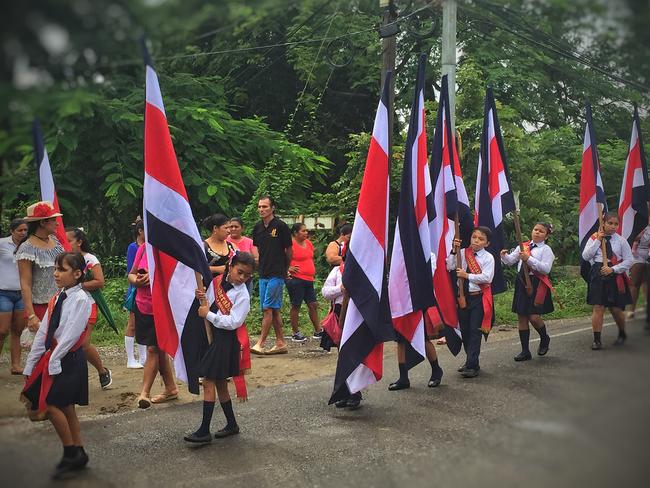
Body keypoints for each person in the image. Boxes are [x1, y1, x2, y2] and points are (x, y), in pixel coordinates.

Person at [21, 252, 93, 479]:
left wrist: (53, 362)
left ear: (78, 273)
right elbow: (44, 331)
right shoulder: (58, 297)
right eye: (56, 269)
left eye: (61, 269)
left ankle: (70, 452)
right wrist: (31, 364)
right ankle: (78, 451)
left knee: (50, 405)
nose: (56, 273)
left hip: (67, 359)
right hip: (56, 357)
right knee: (66, 406)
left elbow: (71, 335)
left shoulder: (81, 299)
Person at [184, 252, 255, 443]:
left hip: (226, 341)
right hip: (212, 338)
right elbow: (207, 304)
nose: (242, 278)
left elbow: (233, 322)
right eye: (239, 272)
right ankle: (232, 424)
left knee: (208, 381)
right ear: (230, 266)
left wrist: (209, 315)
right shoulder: (216, 282)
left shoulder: (243, 295)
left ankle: (204, 431)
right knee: (221, 383)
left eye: (246, 275)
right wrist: (202, 298)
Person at [128, 242, 178, 408]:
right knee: (159, 348)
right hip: (143, 305)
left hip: (163, 307)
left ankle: (145, 393)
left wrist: (155, 277)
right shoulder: (143, 248)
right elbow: (131, 274)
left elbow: (178, 278)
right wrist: (137, 280)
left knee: (153, 349)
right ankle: (170, 388)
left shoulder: (170, 249)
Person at [388, 253, 444, 391]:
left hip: (418, 300)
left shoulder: (427, 252)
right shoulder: (398, 252)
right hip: (400, 301)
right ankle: (403, 377)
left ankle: (436, 370)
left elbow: (428, 274)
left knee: (422, 337)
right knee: (400, 338)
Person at [501, 223, 554, 361]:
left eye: (541, 231)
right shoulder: (522, 245)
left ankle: (544, 337)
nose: (537, 232)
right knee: (522, 316)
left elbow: (546, 269)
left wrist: (528, 259)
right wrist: (504, 256)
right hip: (522, 282)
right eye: (535, 229)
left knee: (534, 317)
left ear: (546, 235)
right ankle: (525, 351)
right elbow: (510, 261)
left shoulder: (546, 250)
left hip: (536, 283)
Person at [66, 228, 112, 389]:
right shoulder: (64, 259)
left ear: (79, 242)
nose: (66, 243)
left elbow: (100, 282)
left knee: (83, 344)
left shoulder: (90, 259)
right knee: (68, 343)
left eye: (69, 240)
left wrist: (77, 286)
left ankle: (102, 371)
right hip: (68, 305)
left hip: (88, 304)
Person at [447, 226, 495, 378]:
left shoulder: (488, 258)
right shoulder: (463, 252)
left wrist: (466, 276)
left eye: (481, 239)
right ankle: (470, 360)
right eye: (474, 237)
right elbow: (450, 266)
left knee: (475, 331)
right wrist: (454, 250)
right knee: (466, 331)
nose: (476, 241)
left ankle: (472, 365)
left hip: (478, 298)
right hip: (463, 297)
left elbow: (487, 278)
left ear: (486, 244)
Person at [581, 212, 633, 350]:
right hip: (598, 273)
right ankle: (597, 340)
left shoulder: (621, 240)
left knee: (616, 308)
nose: (613, 226)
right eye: (610, 223)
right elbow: (586, 256)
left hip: (614, 273)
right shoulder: (594, 238)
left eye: (616, 224)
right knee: (598, 306)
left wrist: (614, 269)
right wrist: (598, 240)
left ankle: (622, 333)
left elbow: (629, 260)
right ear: (603, 223)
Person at [250, 196, 292, 355]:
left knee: (267, 308)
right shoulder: (257, 227)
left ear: (272, 208)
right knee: (273, 310)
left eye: (265, 207)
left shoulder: (280, 226)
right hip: (263, 272)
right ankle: (280, 342)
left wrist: (285, 269)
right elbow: (255, 247)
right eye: (259, 207)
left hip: (277, 272)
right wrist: (256, 261)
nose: (261, 209)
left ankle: (260, 343)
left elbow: (289, 250)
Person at [15, 202, 65, 335]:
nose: (57, 223)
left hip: (61, 302)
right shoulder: (27, 248)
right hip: (41, 307)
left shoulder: (55, 241)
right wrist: (31, 315)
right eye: (54, 220)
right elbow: (25, 284)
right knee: (45, 348)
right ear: (43, 222)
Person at [320, 254, 362, 409]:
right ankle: (343, 392)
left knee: (354, 354)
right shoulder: (337, 271)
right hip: (339, 315)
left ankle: (355, 393)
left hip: (356, 315)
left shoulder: (363, 271)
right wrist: (340, 288)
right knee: (342, 354)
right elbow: (325, 292)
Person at [0, 218, 28, 374]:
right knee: (2, 330)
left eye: (25, 230)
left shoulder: (28, 246)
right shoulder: (2, 243)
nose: (23, 233)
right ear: (12, 231)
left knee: (17, 330)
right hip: (3, 292)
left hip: (22, 293)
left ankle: (16, 365)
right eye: (20, 230)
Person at [286, 223, 322, 342]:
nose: (306, 233)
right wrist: (287, 268)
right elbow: (280, 258)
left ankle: (318, 330)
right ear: (295, 233)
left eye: (306, 230)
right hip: (296, 279)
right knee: (296, 305)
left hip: (309, 279)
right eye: (303, 231)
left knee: (313, 304)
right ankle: (295, 332)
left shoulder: (309, 243)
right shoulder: (290, 245)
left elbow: (310, 258)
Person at [124, 219, 146, 368]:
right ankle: (131, 358)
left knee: (143, 324)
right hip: (136, 288)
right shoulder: (133, 247)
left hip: (146, 287)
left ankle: (143, 357)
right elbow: (132, 270)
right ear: (140, 231)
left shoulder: (149, 247)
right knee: (132, 324)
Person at [626, 225, 650, 318]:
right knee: (635, 283)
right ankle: (632, 309)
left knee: (647, 281)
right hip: (636, 252)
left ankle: (647, 304)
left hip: (648, 252)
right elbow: (631, 236)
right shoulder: (638, 222)